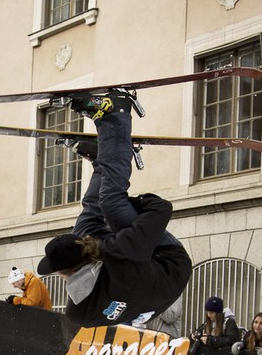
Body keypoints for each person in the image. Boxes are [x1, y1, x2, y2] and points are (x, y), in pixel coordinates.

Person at [36, 91, 191, 327]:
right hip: (169, 264)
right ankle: (115, 116)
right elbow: (161, 209)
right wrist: (127, 201)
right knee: (111, 203)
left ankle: (104, 162)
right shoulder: (121, 252)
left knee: (87, 225)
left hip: (146, 289)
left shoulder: (78, 313)